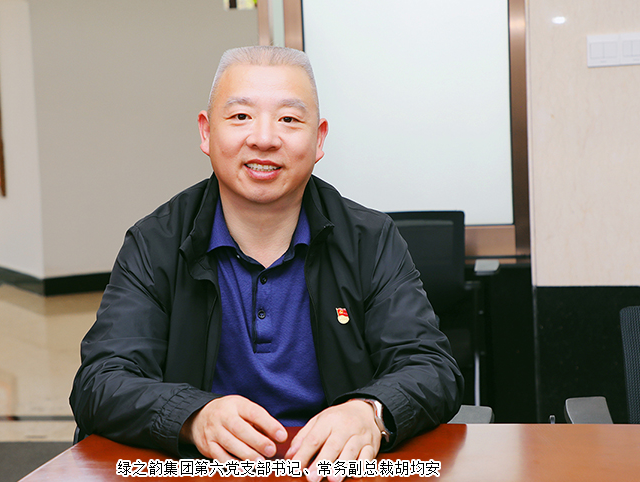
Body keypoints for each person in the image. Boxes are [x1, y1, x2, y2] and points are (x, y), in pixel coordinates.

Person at [70, 46, 463, 482]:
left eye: (289, 119)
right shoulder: (156, 242)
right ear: (206, 132)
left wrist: (370, 411)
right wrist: (192, 415)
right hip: (202, 471)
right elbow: (100, 381)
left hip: (330, 472)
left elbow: (431, 367)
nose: (263, 138)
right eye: (241, 116)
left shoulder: (368, 239)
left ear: (319, 139)